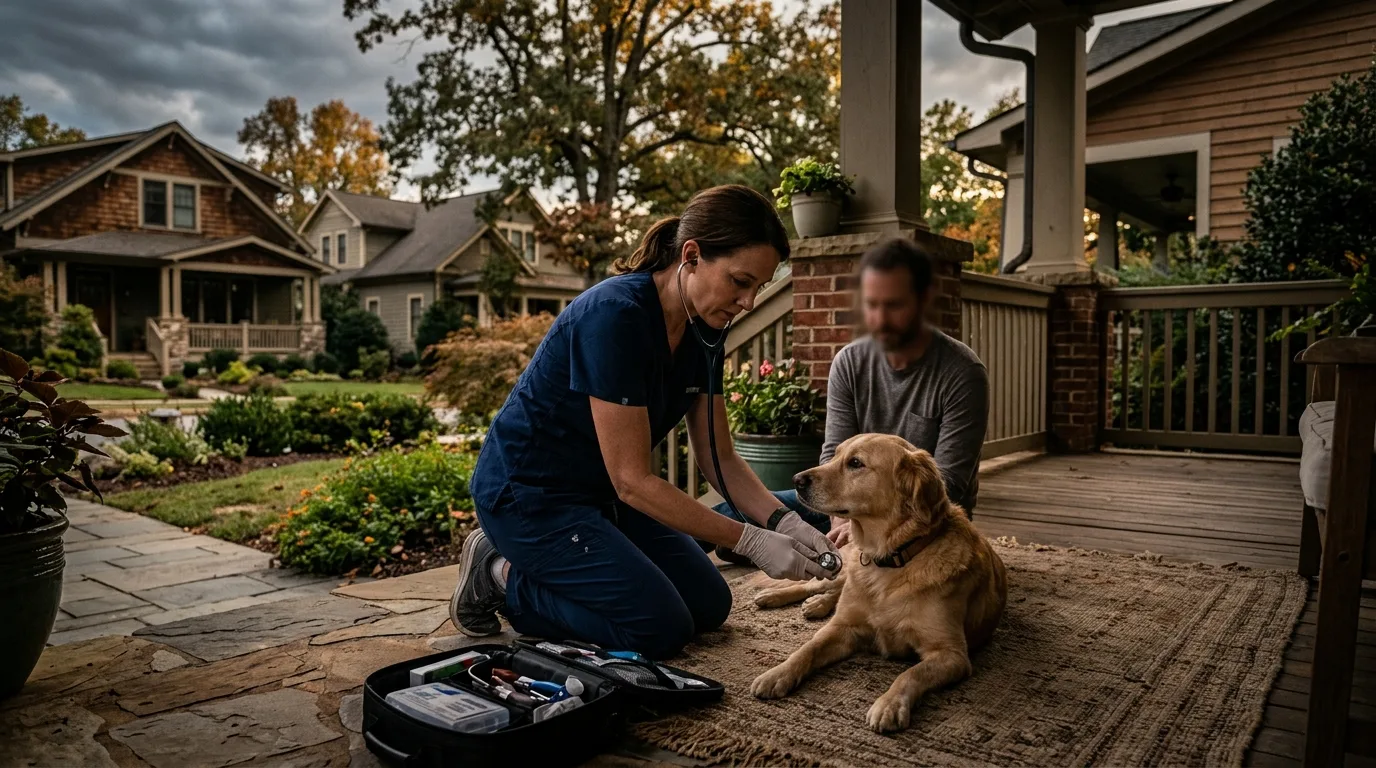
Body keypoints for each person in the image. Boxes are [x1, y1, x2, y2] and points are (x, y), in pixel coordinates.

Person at [450, 185, 841, 660]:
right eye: (740, 281)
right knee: (658, 627)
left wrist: (785, 521)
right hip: (531, 497)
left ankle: (541, 571)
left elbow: (719, 458)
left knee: (709, 604)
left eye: (758, 287)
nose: (749, 302)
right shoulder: (615, 317)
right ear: (691, 256)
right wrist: (751, 540)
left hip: (601, 497)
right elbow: (632, 480)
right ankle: (499, 575)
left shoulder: (706, 330)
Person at [711, 236, 989, 553]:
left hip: (916, 521)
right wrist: (840, 523)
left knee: (764, 539)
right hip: (848, 507)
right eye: (872, 305)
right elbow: (834, 450)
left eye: (894, 305)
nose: (880, 320)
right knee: (740, 512)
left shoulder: (963, 372)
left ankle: (794, 546)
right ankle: (669, 545)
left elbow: (949, 484)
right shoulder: (849, 361)